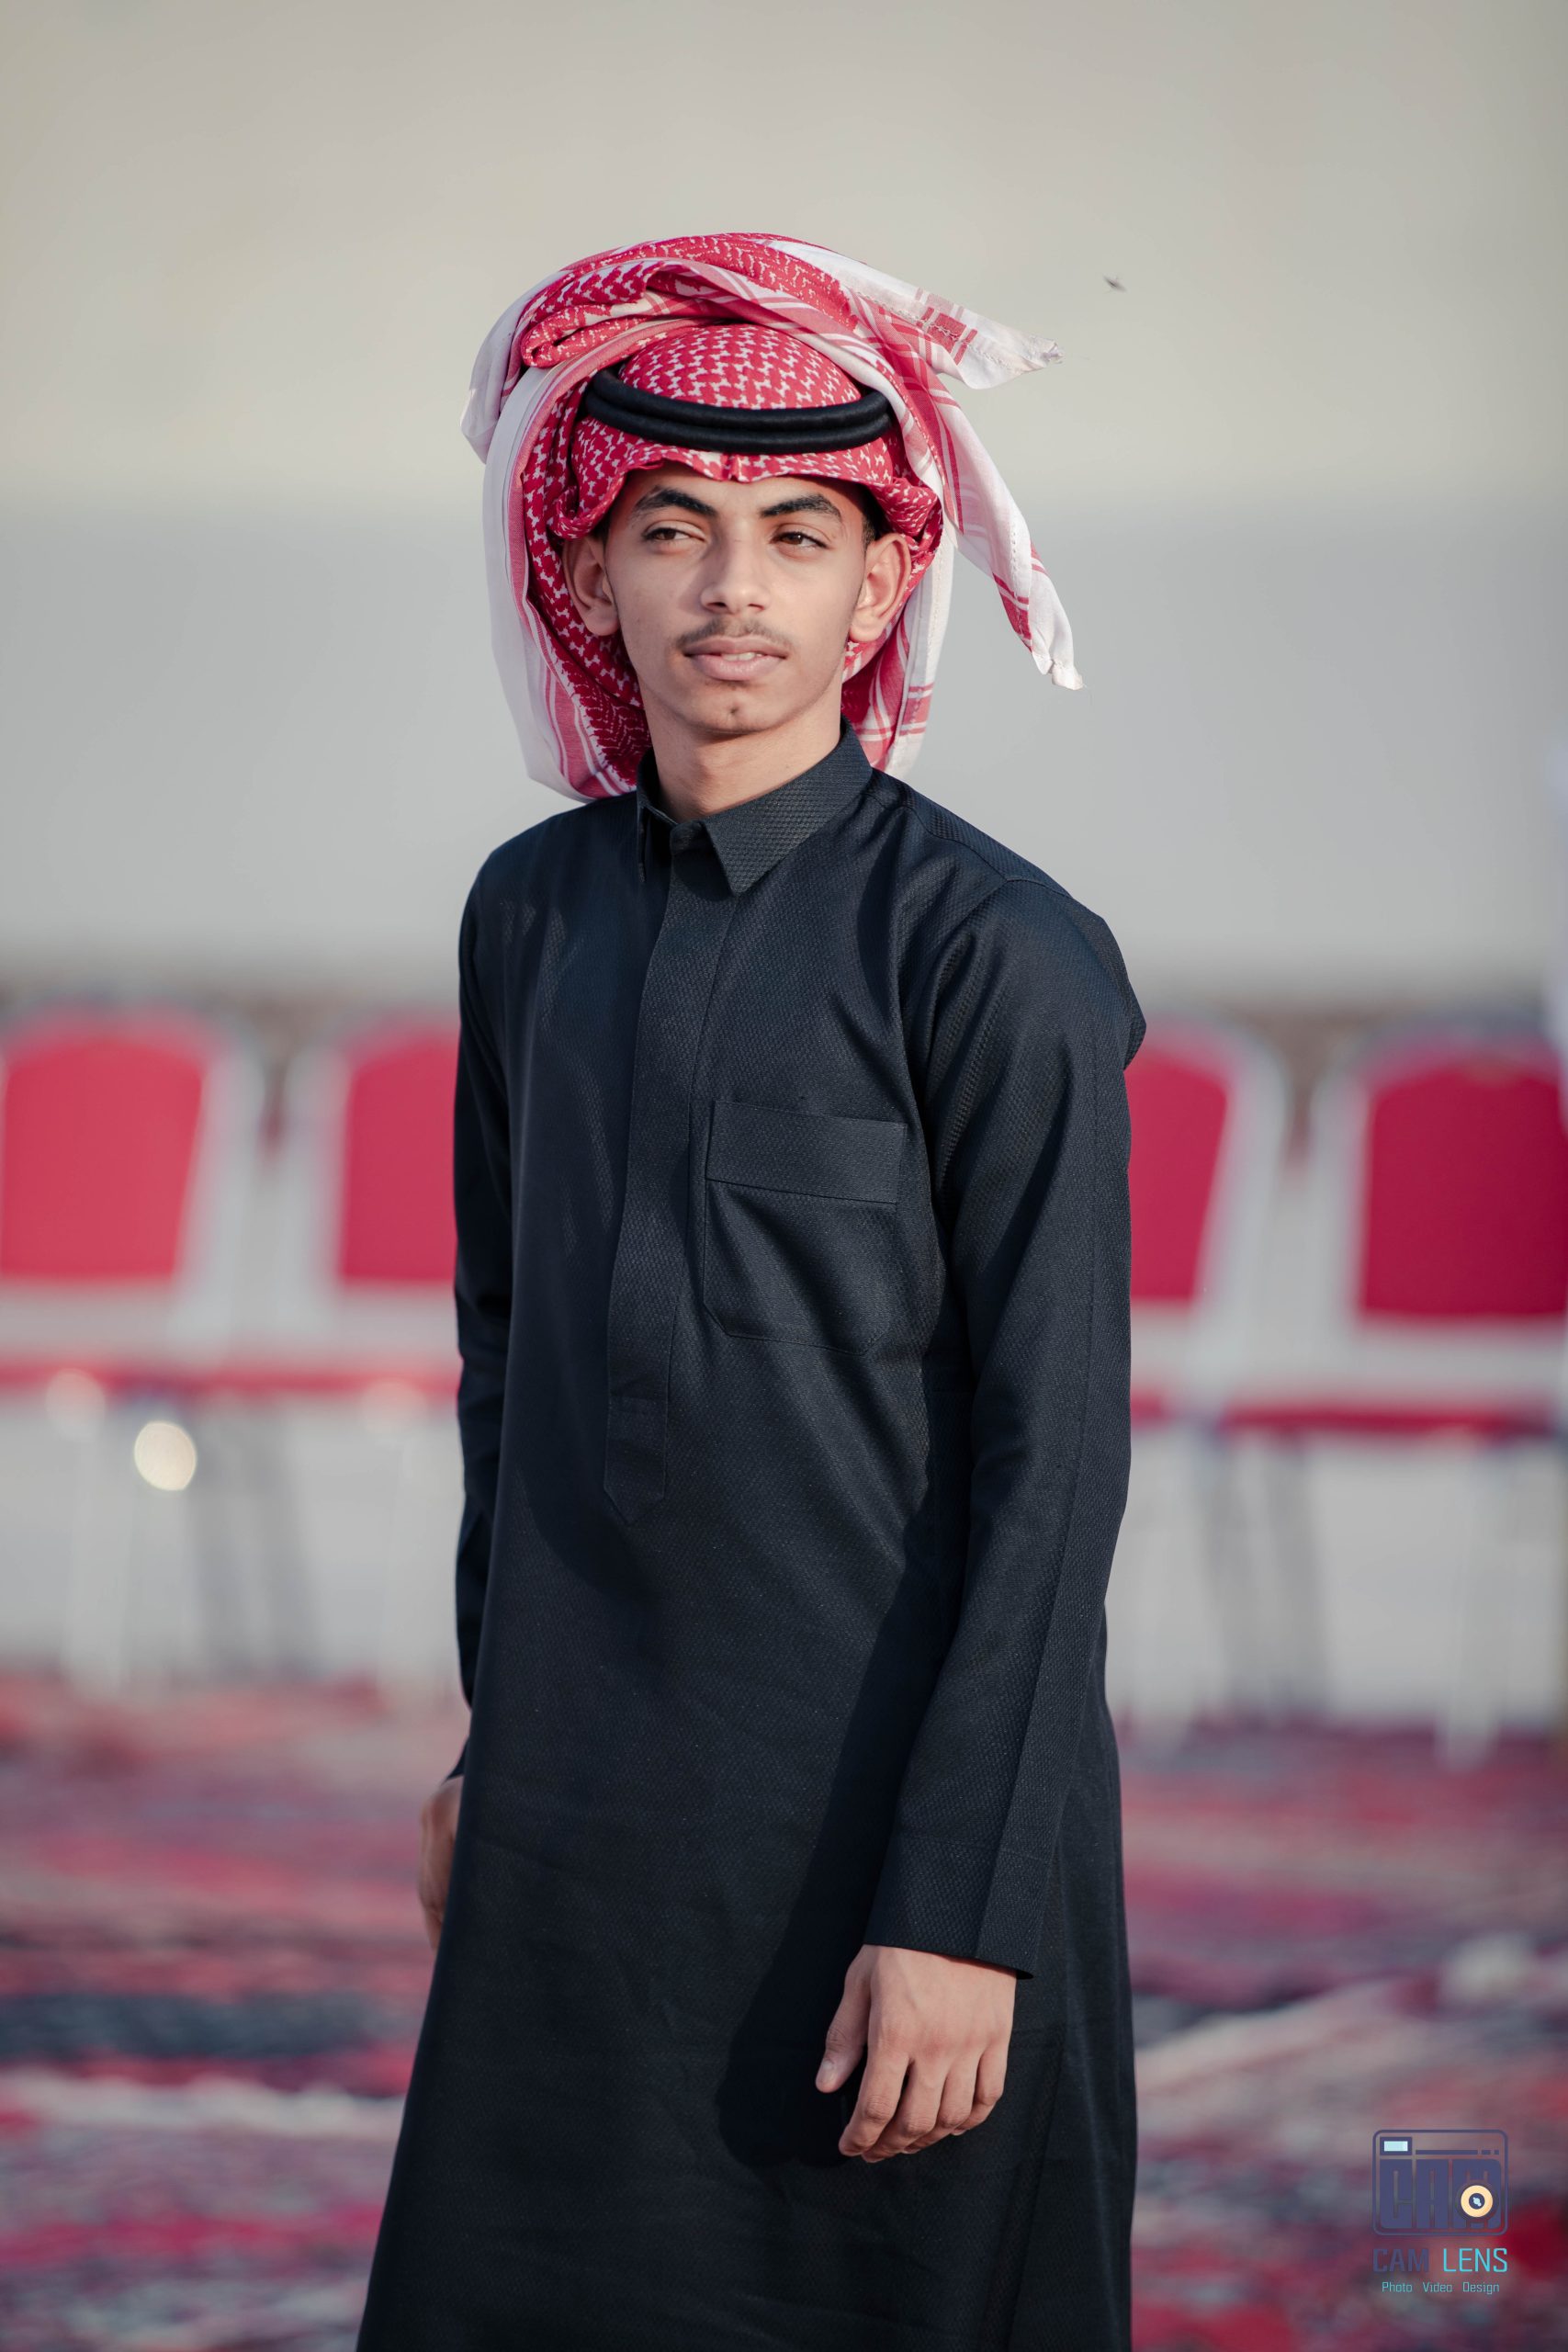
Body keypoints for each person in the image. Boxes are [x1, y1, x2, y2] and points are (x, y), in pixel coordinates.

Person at [355, 232, 1145, 2352]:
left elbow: (1052, 1462)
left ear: (879, 590)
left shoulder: (993, 953)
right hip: (580, 1820)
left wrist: (960, 1907)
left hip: (888, 1831)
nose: (732, 587)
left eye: (797, 535)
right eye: (672, 531)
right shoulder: (527, 919)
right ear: (583, 571)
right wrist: (491, 1743)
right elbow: (510, 1370)